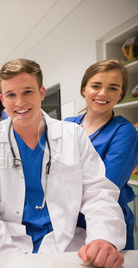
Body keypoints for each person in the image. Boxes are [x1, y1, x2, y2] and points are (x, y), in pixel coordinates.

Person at [0, 59, 126, 268]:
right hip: (6, 244)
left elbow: (97, 193)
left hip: (66, 245)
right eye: (11, 95)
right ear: (2, 99)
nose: (19, 102)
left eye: (27, 92)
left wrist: (103, 237)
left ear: (41, 92)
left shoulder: (73, 135)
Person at [65, 59, 138, 250]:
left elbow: (108, 184)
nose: (103, 93)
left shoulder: (124, 132)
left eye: (113, 88)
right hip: (66, 221)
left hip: (105, 223)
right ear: (84, 89)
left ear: (121, 94)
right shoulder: (67, 124)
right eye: (96, 86)